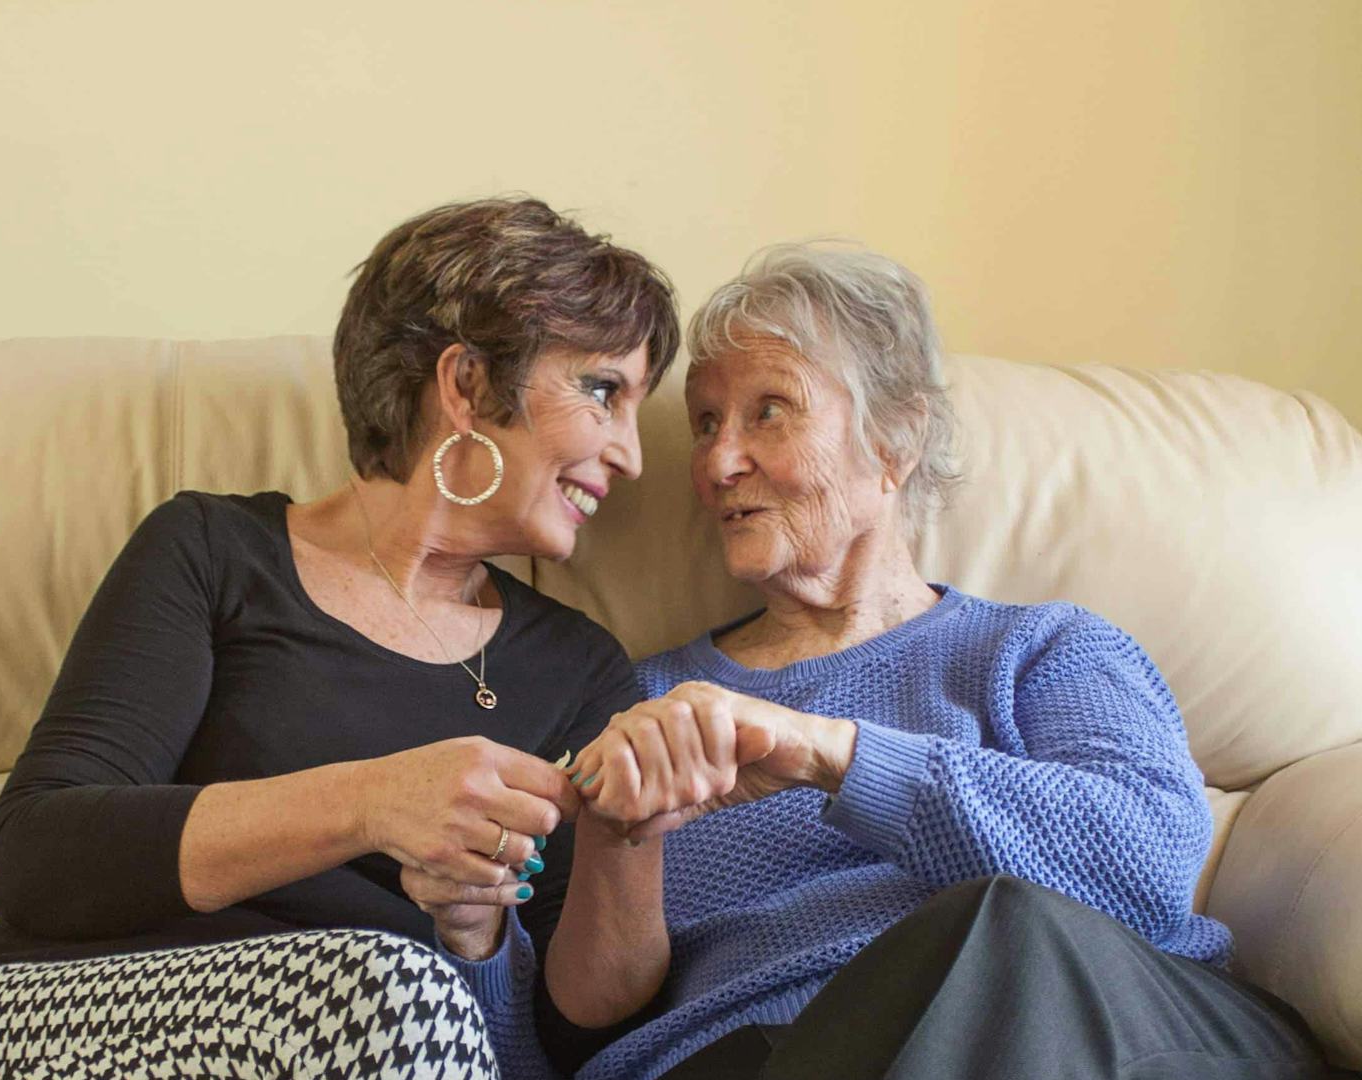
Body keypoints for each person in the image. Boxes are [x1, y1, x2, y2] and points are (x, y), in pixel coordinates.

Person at [0, 196, 680, 1079]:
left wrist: (543, 891)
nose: (631, 454)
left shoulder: (581, 670)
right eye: (602, 391)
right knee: (394, 991)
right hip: (43, 1018)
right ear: (468, 387)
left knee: (407, 998)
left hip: (384, 1046)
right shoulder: (214, 552)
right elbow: (38, 855)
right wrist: (372, 803)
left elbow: (574, 1043)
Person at [531, 242, 1341, 1079]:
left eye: (769, 410)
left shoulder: (1044, 650)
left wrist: (832, 757)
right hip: (760, 1058)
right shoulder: (644, 701)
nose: (718, 461)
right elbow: (576, 1029)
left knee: (1004, 929)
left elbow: (1151, 866)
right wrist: (618, 838)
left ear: (896, 439)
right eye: (706, 423)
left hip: (1088, 1025)